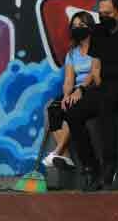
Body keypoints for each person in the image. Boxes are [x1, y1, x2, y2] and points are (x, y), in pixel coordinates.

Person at [66, 0, 118, 191]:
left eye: (108, 13)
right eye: (101, 13)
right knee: (73, 111)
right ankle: (90, 167)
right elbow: (95, 69)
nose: (104, 17)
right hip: (107, 82)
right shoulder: (99, 32)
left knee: (106, 100)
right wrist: (82, 90)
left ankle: (109, 164)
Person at [42, 11, 100, 169]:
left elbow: (94, 73)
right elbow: (69, 79)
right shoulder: (72, 54)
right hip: (75, 89)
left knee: (72, 108)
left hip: (93, 87)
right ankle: (65, 157)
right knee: (54, 108)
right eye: (74, 26)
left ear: (90, 26)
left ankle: (58, 150)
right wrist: (67, 94)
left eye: (81, 25)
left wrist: (80, 89)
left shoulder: (99, 47)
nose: (77, 29)